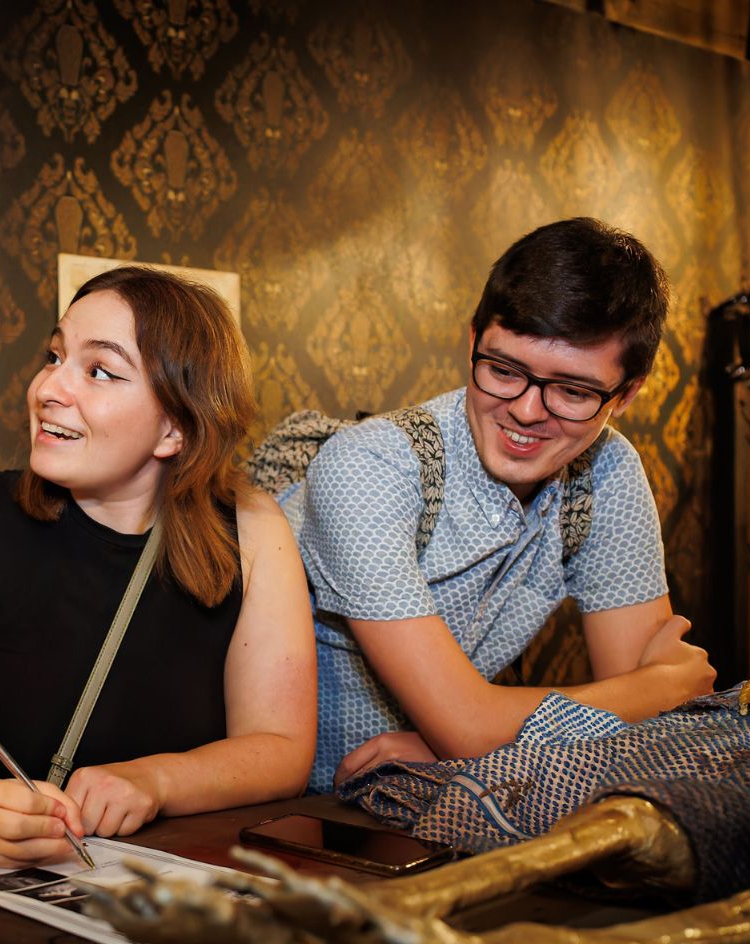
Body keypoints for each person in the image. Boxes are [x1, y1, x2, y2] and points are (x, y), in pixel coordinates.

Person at [0, 267, 316, 869]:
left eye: (99, 371)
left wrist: (154, 782)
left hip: (167, 893)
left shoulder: (255, 530)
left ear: (174, 428)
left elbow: (283, 749)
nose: (49, 387)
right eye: (55, 356)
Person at [281, 218, 716, 792]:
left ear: (627, 393)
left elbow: (642, 733)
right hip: (300, 813)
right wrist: (659, 687)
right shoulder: (368, 465)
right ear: (472, 341)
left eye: (573, 391)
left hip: (458, 798)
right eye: (504, 370)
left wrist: (463, 743)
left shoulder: (605, 470)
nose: (528, 412)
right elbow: (650, 695)